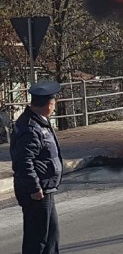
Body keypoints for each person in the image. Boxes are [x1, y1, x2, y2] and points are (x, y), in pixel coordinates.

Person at [10, 81, 62, 254]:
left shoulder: (39, 122)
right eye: (54, 103)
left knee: (51, 236)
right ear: (49, 105)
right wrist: (34, 187)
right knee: (37, 240)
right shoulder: (32, 128)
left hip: (45, 187)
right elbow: (23, 161)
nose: (54, 107)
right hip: (36, 191)